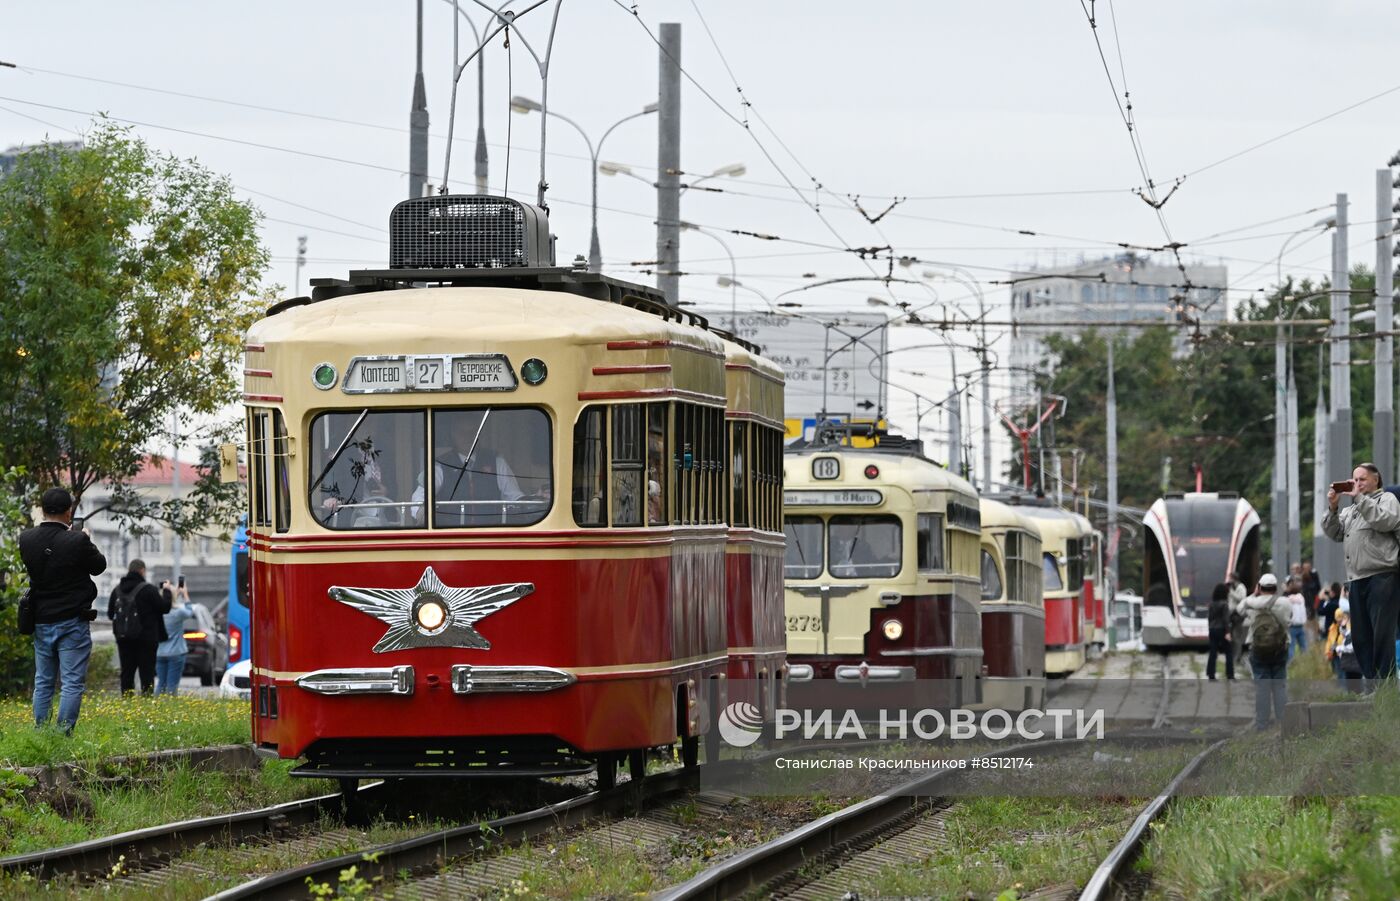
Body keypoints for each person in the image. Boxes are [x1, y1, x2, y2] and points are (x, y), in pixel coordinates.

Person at [18, 488, 106, 734]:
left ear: (42, 510)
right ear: (69, 512)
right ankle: (62, 734)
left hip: (42, 620)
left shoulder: (26, 539)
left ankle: (41, 733)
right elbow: (99, 566)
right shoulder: (77, 540)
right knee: (71, 683)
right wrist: (85, 539)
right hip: (72, 621)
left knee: (43, 681)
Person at [1320, 462, 1400, 686]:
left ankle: (1386, 685)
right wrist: (1333, 508)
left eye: (1362, 479)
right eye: (1354, 480)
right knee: (1360, 637)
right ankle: (1373, 683)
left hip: (1383, 576)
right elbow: (1334, 533)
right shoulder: (1352, 509)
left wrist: (1360, 499)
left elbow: (1385, 521)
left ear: (1376, 479)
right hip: (1357, 579)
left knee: (1382, 634)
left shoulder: (1386, 500)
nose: (1357, 484)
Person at [412, 417, 523, 526]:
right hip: (451, 536)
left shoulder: (496, 462)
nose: (467, 437)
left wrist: (531, 501)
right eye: (462, 432)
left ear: (478, 435)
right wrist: (421, 511)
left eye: (472, 432)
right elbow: (420, 496)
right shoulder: (440, 465)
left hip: (491, 535)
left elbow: (514, 496)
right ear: (453, 435)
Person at [108, 560, 172, 695]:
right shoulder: (148, 589)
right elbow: (164, 608)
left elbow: (110, 614)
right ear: (142, 570)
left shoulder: (117, 590)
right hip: (146, 639)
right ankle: (146, 702)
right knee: (147, 672)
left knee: (127, 672)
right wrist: (167, 591)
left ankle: (127, 701)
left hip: (123, 639)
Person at [1240, 573, 1291, 730]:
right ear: (1275, 588)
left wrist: (1254, 594)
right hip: (1279, 649)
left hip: (1258, 650)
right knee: (1279, 686)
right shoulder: (1284, 602)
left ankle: (1261, 724)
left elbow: (1239, 609)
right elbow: (1290, 620)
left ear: (1259, 587)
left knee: (1262, 687)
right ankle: (1282, 723)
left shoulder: (1252, 602)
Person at [156, 582, 197, 696]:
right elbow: (190, 611)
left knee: (161, 683)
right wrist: (185, 594)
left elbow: (168, 600)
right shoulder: (178, 613)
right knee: (172, 685)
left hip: (159, 652)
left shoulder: (157, 612)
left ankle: (155, 705)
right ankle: (170, 706)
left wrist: (173, 593)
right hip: (176, 652)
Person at [1205, 582, 1234, 681]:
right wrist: (1228, 632)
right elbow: (1226, 620)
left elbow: (1209, 618)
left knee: (1213, 653)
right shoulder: (1224, 604)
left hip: (1212, 629)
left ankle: (1210, 674)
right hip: (1222, 629)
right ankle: (1230, 675)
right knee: (1229, 652)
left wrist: (1210, 629)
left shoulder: (1211, 604)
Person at [1283, 576, 1308, 656]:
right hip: (1301, 625)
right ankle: (1305, 662)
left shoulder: (1287, 599)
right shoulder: (1301, 598)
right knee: (1304, 647)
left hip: (1292, 626)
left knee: (1291, 647)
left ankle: (1290, 664)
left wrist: (1285, 591)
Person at [1301, 561, 1323, 635]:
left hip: (1314, 600)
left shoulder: (1314, 575)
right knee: (1309, 619)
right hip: (1307, 601)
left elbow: (1317, 586)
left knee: (1315, 618)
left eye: (1308, 567)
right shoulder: (1303, 576)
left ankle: (1317, 633)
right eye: (1305, 567)